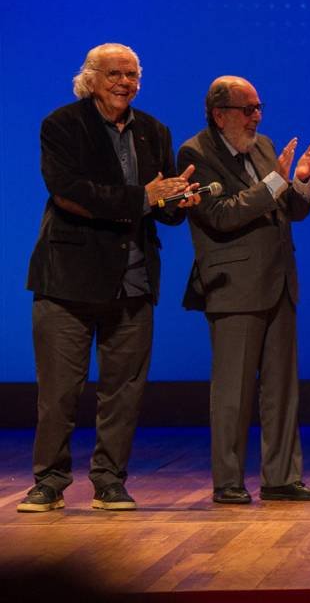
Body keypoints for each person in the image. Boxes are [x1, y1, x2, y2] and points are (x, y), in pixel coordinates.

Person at [18, 43, 199, 513]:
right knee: (59, 391)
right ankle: (49, 481)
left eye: (133, 75)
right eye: (115, 74)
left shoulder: (154, 131)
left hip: (133, 281)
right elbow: (70, 194)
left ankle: (110, 481)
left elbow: (161, 209)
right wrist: (146, 197)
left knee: (124, 390)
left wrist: (177, 201)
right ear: (91, 78)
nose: (125, 83)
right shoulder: (62, 125)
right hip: (68, 283)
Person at [178, 76, 310, 505]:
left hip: (278, 280)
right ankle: (228, 481)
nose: (257, 117)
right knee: (233, 391)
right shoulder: (195, 153)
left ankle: (281, 478)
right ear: (220, 114)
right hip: (233, 285)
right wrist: (275, 184)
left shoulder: (263, 147)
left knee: (281, 389)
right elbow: (222, 215)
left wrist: (299, 181)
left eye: (259, 107)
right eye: (248, 109)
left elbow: (288, 209)